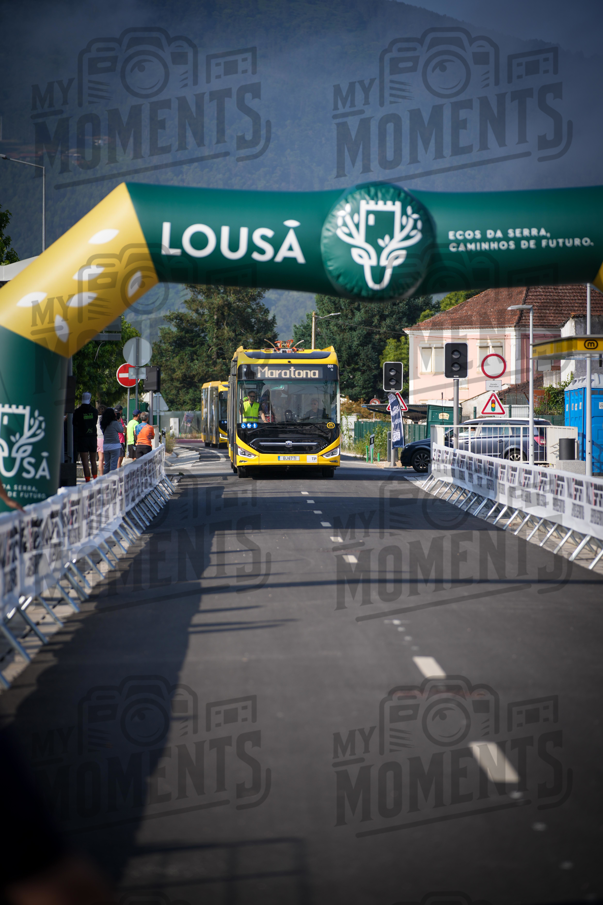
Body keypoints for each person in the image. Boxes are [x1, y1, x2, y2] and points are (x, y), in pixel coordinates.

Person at [72, 392, 98, 482]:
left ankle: (87, 479)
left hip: (82, 437)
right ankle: (95, 478)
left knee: (85, 461)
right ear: (90, 399)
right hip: (92, 437)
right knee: (93, 460)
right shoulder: (94, 411)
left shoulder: (77, 411)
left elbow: (74, 423)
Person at [100, 407, 121, 473]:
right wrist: (119, 422)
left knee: (107, 465)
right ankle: (112, 481)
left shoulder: (103, 424)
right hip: (115, 446)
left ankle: (105, 480)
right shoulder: (115, 423)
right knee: (113, 465)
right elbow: (121, 430)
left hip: (106, 445)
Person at [96, 404, 106, 475]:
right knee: (104, 459)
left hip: (97, 438)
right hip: (104, 437)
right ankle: (104, 474)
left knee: (100, 458)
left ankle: (101, 474)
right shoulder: (105, 418)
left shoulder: (96, 418)